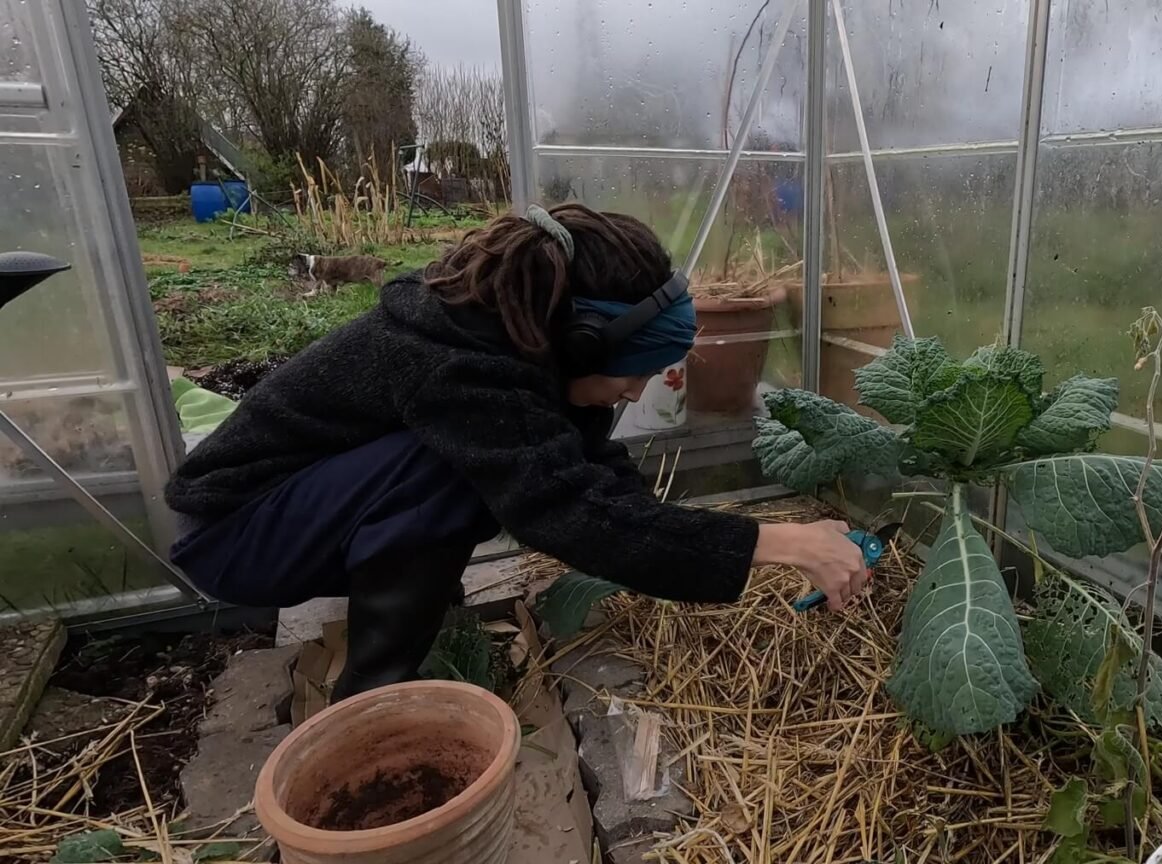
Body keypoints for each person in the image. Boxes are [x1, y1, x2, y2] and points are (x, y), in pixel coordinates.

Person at [165, 204, 867, 700]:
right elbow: (570, 513)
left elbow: (589, 477)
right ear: (586, 340)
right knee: (446, 470)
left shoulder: (514, 337)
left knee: (477, 461)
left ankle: (415, 607)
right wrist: (779, 542)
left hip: (300, 506)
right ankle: (373, 699)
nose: (636, 393)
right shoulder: (460, 369)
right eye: (637, 373)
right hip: (237, 535)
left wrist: (677, 538)